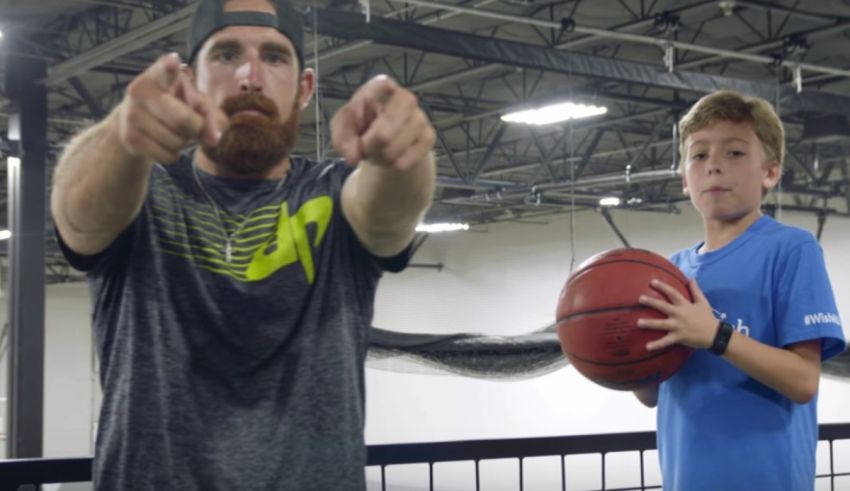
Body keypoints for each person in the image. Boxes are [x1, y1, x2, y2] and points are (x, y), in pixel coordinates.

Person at [50, 0, 435, 488]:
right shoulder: (143, 190)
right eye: (227, 55)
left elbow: (389, 212)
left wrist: (401, 154)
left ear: (305, 89)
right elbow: (77, 215)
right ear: (190, 82)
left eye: (274, 58)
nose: (251, 77)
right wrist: (123, 135)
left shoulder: (332, 197)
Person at [633, 90, 845, 491]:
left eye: (734, 153)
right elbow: (652, 395)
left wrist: (716, 335)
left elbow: (803, 381)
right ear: (684, 179)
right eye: (699, 155)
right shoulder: (670, 270)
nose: (713, 166)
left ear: (770, 172)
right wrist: (616, 357)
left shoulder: (791, 249)